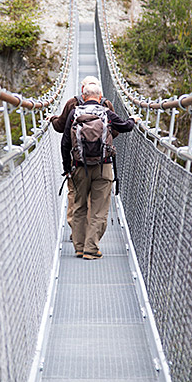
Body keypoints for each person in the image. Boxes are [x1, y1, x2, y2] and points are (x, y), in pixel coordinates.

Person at [61, 82, 139, 259]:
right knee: (99, 210)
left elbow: (65, 142)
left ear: (84, 96)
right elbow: (125, 127)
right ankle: (91, 248)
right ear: (100, 96)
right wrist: (133, 120)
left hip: (79, 167)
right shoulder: (106, 113)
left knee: (79, 207)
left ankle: (79, 248)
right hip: (103, 167)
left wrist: (67, 168)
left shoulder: (74, 113)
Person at [50, 76, 116, 241]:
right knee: (97, 201)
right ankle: (90, 239)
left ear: (82, 90)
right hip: (101, 162)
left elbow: (60, 129)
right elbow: (115, 131)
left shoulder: (72, 104)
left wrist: (52, 118)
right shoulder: (106, 105)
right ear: (99, 93)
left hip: (77, 162)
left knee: (77, 198)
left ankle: (77, 235)